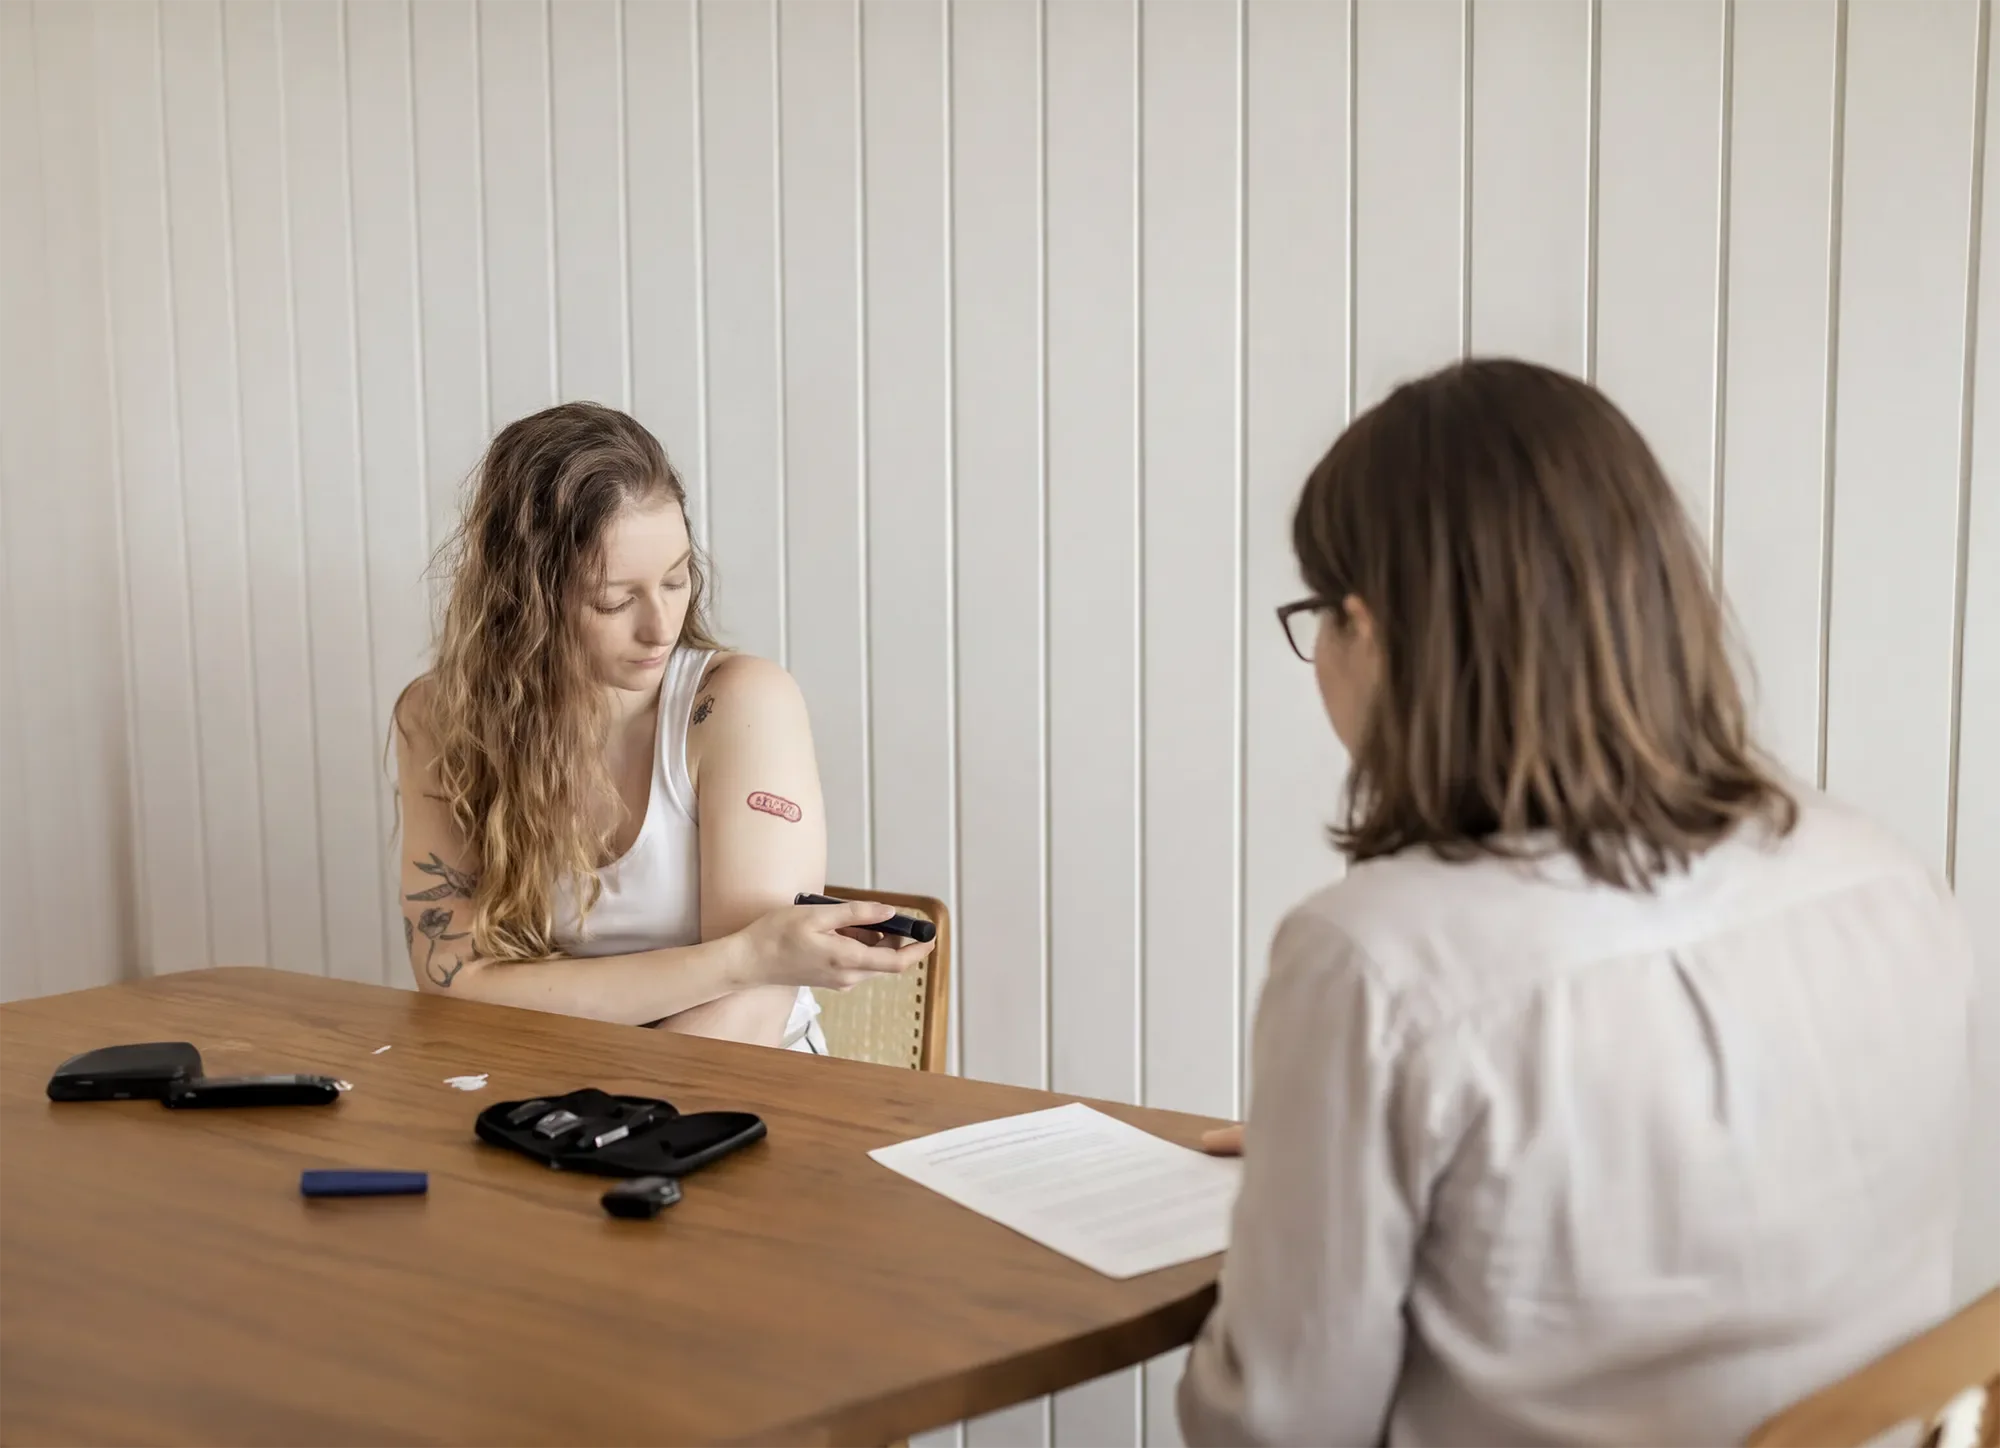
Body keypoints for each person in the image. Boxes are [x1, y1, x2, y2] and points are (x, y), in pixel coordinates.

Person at [1179, 360, 1974, 1447]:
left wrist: (1304, 1201)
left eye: (1317, 613)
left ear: (1368, 630)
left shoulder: (1375, 961)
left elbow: (1272, 1427)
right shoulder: (1878, 873)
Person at [392, 402, 929, 1049]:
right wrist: (738, 958)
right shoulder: (440, 719)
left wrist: (599, 1111)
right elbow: (454, 981)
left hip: (724, 1090)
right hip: (533, 1086)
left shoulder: (741, 705)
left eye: (676, 582)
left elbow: (752, 1008)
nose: (660, 627)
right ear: (524, 598)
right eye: (615, 600)